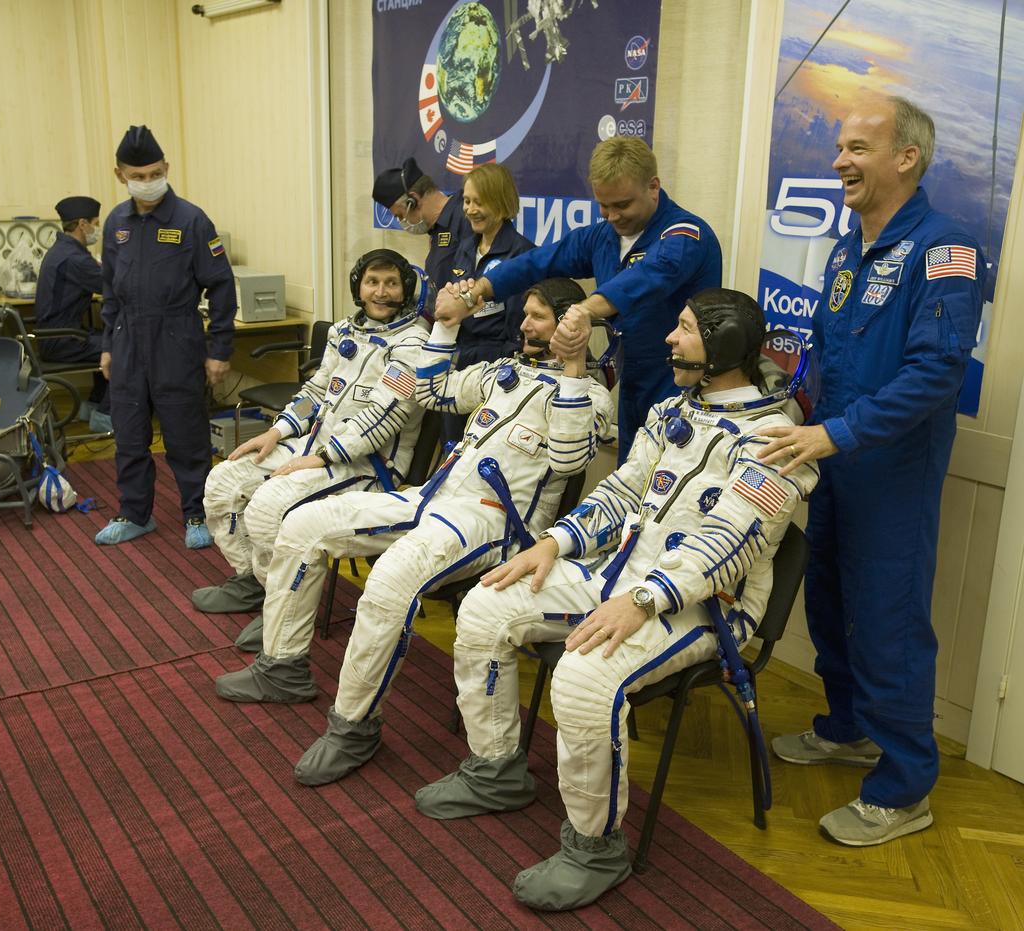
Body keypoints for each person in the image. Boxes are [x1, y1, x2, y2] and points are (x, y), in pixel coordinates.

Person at [416, 289, 819, 910]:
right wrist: (556, 542)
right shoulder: (670, 412)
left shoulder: (776, 439)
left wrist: (644, 599)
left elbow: (733, 543)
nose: (669, 340)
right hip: (621, 574)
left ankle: (595, 847)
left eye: (684, 330)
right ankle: (495, 770)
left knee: (583, 676)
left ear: (725, 348)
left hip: (708, 606)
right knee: (485, 605)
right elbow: (624, 493)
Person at [213, 277, 615, 787]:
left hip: (497, 521)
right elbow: (430, 390)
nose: (524, 324)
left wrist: (576, 370)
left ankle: (352, 727)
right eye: (526, 313)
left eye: (537, 316)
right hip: (433, 498)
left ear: (568, 326)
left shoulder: (591, 397)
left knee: (388, 579)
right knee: (303, 524)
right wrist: (446, 327)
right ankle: (282, 667)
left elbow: (569, 459)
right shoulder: (503, 372)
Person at [759, 95, 984, 847]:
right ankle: (846, 726)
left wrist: (839, 432)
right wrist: (795, 407)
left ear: (905, 158)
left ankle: (903, 786)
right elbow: (826, 348)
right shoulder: (846, 247)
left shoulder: (946, 249)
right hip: (832, 463)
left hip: (890, 475)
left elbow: (937, 374)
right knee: (828, 600)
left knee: (888, 625)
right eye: (839, 147)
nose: (838, 162)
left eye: (857, 147)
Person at [194, 249, 429, 647]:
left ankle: (282, 611)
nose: (381, 292)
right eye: (373, 281)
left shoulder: (413, 344)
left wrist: (319, 458)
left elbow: (384, 418)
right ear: (358, 285)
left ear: (406, 289)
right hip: (313, 447)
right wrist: (278, 430)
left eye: (392, 283)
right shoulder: (344, 332)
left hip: (367, 466)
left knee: (268, 509)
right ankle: (255, 581)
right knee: (224, 482)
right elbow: (318, 391)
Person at [439, 137, 721, 463]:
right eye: (604, 205)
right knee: (631, 476)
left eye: (623, 205)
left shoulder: (685, 234)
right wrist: (477, 291)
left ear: (653, 187)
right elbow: (538, 261)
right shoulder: (603, 237)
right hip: (633, 376)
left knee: (672, 483)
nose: (613, 216)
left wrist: (584, 311)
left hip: (683, 382)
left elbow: (646, 277)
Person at [94, 125, 237, 548]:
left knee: (185, 432)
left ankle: (197, 514)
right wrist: (107, 345)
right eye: (137, 175)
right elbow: (108, 290)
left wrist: (220, 348)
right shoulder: (115, 223)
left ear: (167, 169)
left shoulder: (191, 220)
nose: (147, 181)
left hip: (176, 337)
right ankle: (135, 513)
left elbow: (222, 285)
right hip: (126, 340)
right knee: (129, 432)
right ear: (120, 175)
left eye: (154, 172)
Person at [438, 164, 535, 446]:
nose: (469, 209)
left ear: (502, 202)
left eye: (479, 202)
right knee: (452, 446)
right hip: (458, 360)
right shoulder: (466, 247)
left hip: (496, 363)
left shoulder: (521, 253)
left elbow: (519, 324)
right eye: (467, 201)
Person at [35, 195, 110, 433]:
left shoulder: (62, 250)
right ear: (82, 224)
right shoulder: (75, 258)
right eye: (96, 223)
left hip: (54, 336)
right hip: (63, 340)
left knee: (105, 339)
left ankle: (95, 404)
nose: (97, 229)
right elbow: (111, 286)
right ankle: (107, 415)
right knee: (125, 348)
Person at [372, 156, 471, 317]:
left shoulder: (465, 218)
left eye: (400, 215)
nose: (402, 222)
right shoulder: (437, 230)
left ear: (414, 200)